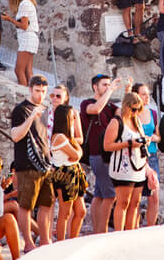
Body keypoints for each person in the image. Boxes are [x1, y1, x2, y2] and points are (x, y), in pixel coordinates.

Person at [10, 76, 53, 252]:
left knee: (47, 204)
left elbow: (46, 137)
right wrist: (30, 118)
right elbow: (15, 135)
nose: (41, 95)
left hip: (45, 164)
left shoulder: (45, 109)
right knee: (26, 205)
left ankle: (45, 240)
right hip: (27, 165)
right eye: (37, 91)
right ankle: (28, 243)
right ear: (30, 89)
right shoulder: (21, 110)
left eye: (43, 91)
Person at [102, 93, 148, 232]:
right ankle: (119, 234)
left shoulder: (136, 121)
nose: (136, 112)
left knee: (135, 203)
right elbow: (107, 146)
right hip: (122, 168)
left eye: (138, 109)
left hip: (138, 167)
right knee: (123, 202)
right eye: (133, 109)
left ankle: (131, 232)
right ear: (126, 106)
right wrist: (128, 144)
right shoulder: (116, 122)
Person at [80, 75, 119, 234]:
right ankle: (102, 232)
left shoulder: (109, 106)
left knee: (100, 194)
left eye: (109, 84)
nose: (108, 87)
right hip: (98, 154)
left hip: (108, 155)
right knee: (110, 196)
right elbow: (95, 109)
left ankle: (97, 230)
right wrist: (110, 91)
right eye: (104, 85)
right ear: (95, 87)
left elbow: (123, 113)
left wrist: (129, 92)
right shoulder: (87, 103)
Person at [49, 103, 88, 241]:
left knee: (81, 211)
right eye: (72, 118)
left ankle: (73, 240)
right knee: (65, 213)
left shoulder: (67, 136)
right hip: (65, 174)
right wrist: (76, 151)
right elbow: (77, 155)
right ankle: (61, 243)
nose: (74, 120)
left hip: (74, 171)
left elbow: (78, 153)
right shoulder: (59, 137)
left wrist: (76, 151)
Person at [133, 83, 161, 227]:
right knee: (136, 197)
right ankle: (135, 227)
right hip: (136, 157)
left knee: (154, 196)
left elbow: (158, 136)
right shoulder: (131, 113)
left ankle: (150, 228)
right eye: (143, 94)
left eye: (148, 94)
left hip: (152, 155)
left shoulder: (153, 113)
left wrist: (150, 138)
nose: (147, 97)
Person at [2, 0, 39, 87]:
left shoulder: (24, 4)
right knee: (27, 70)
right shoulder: (27, 3)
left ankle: (24, 93)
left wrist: (10, 19)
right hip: (29, 38)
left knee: (19, 70)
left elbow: (24, 25)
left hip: (27, 38)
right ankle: (31, 93)